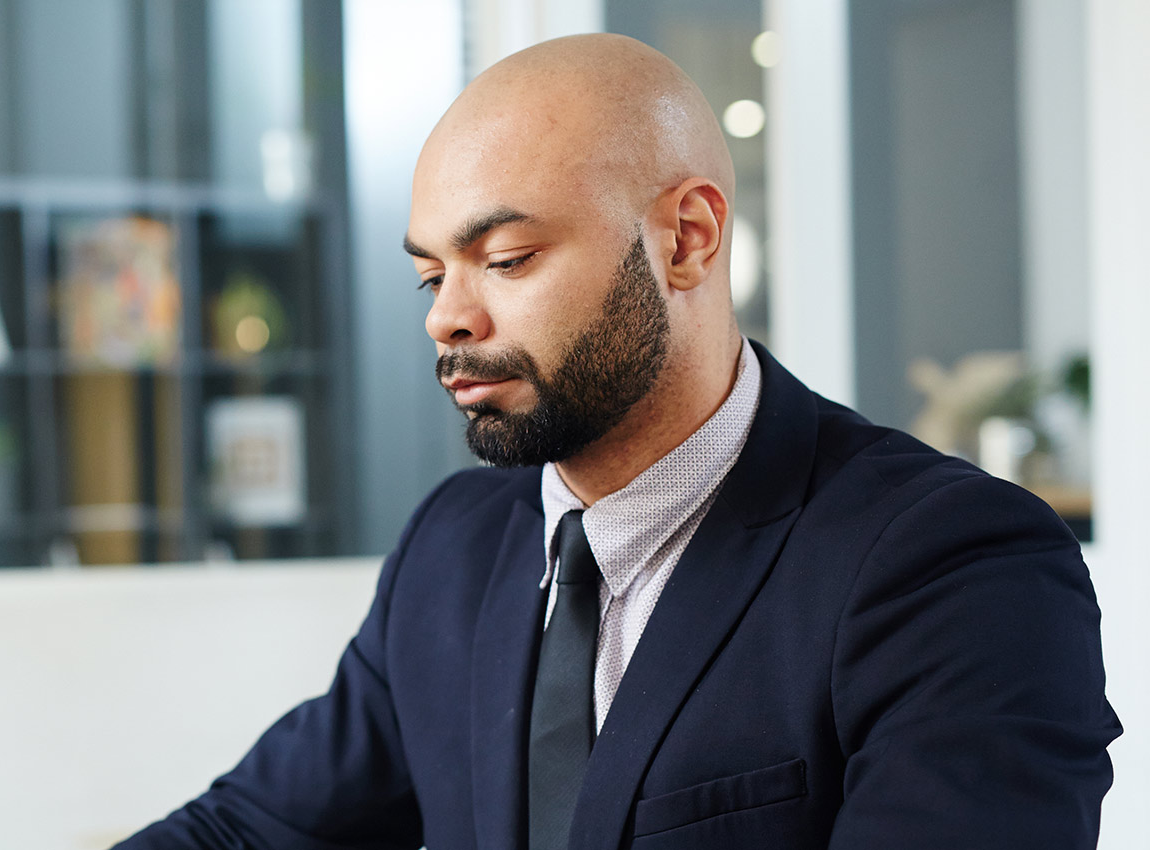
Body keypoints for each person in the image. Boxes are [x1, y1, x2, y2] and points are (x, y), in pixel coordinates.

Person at [114, 34, 1118, 850]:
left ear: (685, 238)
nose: (446, 318)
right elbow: (252, 827)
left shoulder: (948, 563)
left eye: (504, 258)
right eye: (432, 274)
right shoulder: (452, 549)